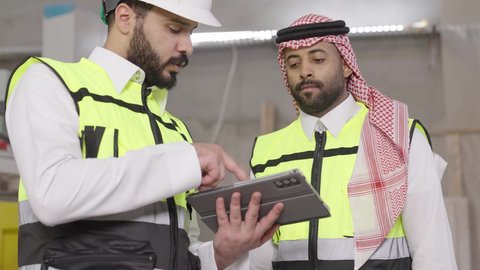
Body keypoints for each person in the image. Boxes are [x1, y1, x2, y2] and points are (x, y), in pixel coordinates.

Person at [5, 0, 283, 269]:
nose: (187, 46)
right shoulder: (49, 81)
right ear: (125, 18)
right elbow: (53, 194)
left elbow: (177, 252)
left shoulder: (173, 130)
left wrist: (221, 254)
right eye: (175, 29)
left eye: (191, 32)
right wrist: (185, 161)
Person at [248, 14, 457, 270]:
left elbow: (432, 253)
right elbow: (257, 258)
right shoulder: (266, 153)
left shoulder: (399, 135)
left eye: (318, 59)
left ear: (346, 64)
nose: (305, 71)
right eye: (293, 63)